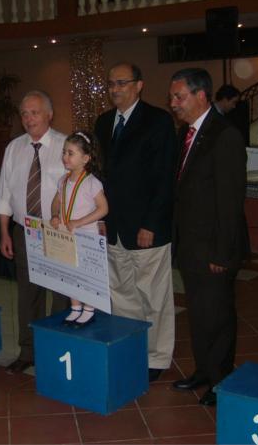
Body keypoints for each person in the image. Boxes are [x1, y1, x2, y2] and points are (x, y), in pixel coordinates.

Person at [169, 68, 250, 406]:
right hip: (191, 245)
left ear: (201, 96)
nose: (174, 103)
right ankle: (204, 370)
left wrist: (221, 252)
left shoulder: (225, 135)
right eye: (172, 97)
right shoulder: (187, 134)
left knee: (218, 315)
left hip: (214, 248)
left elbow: (230, 201)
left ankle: (220, 379)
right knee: (200, 313)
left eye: (179, 97)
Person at [94, 63, 177, 383]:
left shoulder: (158, 121)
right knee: (122, 295)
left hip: (146, 228)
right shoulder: (104, 122)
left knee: (153, 297)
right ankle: (132, 349)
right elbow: (99, 176)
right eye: (110, 83)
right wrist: (101, 217)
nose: (115, 89)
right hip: (114, 226)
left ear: (139, 85)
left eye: (122, 83)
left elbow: (164, 177)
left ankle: (156, 357)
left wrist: (151, 224)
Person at [0, 90, 68, 374]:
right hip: (24, 231)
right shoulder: (14, 148)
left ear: (50, 114)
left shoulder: (66, 146)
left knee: (61, 295)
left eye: (34, 112)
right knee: (28, 294)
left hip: (57, 233)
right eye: (24, 113)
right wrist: (4, 232)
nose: (28, 118)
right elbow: (4, 193)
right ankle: (28, 351)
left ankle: (56, 349)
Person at [50, 131, 108, 327]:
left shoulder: (91, 182)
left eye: (71, 153)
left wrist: (79, 222)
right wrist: (55, 215)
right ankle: (75, 307)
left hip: (87, 236)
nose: (65, 157)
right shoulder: (63, 180)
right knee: (71, 273)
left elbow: (103, 209)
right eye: (64, 152)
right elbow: (56, 202)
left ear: (85, 158)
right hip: (68, 236)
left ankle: (89, 308)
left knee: (87, 274)